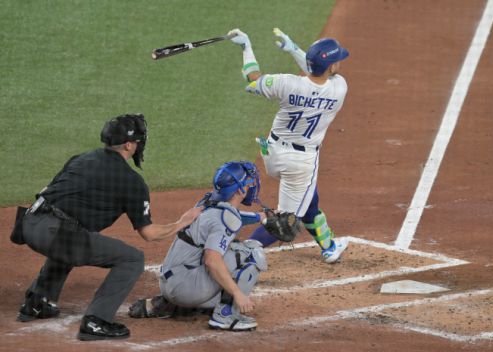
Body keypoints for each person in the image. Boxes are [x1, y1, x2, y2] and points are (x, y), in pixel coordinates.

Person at [12, 114, 202, 341]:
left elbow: (49, 190)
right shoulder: (131, 181)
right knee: (131, 259)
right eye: (139, 141)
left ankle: (37, 301)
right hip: (54, 233)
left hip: (29, 222)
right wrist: (181, 222)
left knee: (72, 235)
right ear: (130, 145)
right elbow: (149, 233)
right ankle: (96, 321)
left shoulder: (82, 158)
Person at [226, 28, 349, 263]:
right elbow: (318, 75)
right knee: (286, 221)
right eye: (337, 60)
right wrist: (295, 50)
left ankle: (329, 247)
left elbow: (252, 81)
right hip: (300, 163)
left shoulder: (286, 83)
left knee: (308, 198)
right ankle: (241, 254)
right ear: (331, 67)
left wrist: (247, 47)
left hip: (271, 153)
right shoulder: (339, 88)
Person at [128, 161, 267, 331]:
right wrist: (238, 294)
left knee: (222, 250)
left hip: (169, 282)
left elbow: (229, 216)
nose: (251, 186)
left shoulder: (208, 202)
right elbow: (211, 261)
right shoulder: (225, 218)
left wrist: (260, 217)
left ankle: (170, 304)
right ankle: (226, 315)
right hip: (184, 288)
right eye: (248, 183)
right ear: (240, 189)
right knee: (252, 252)